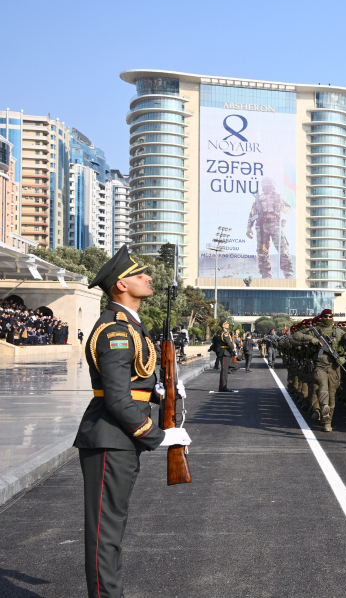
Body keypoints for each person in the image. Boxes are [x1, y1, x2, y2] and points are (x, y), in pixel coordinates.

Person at [73, 245, 192, 598]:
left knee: (113, 525)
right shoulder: (116, 330)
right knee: (105, 531)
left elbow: (130, 384)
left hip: (119, 437)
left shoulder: (130, 326)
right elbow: (116, 398)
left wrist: (159, 393)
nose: (148, 278)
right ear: (121, 286)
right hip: (111, 436)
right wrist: (158, 436)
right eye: (140, 274)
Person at [212, 321, 236, 391]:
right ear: (223, 325)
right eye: (226, 324)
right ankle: (223, 387)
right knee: (224, 370)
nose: (228, 324)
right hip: (225, 353)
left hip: (223, 352)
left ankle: (223, 386)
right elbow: (228, 342)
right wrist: (233, 350)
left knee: (224, 370)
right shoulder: (224, 333)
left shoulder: (220, 333)